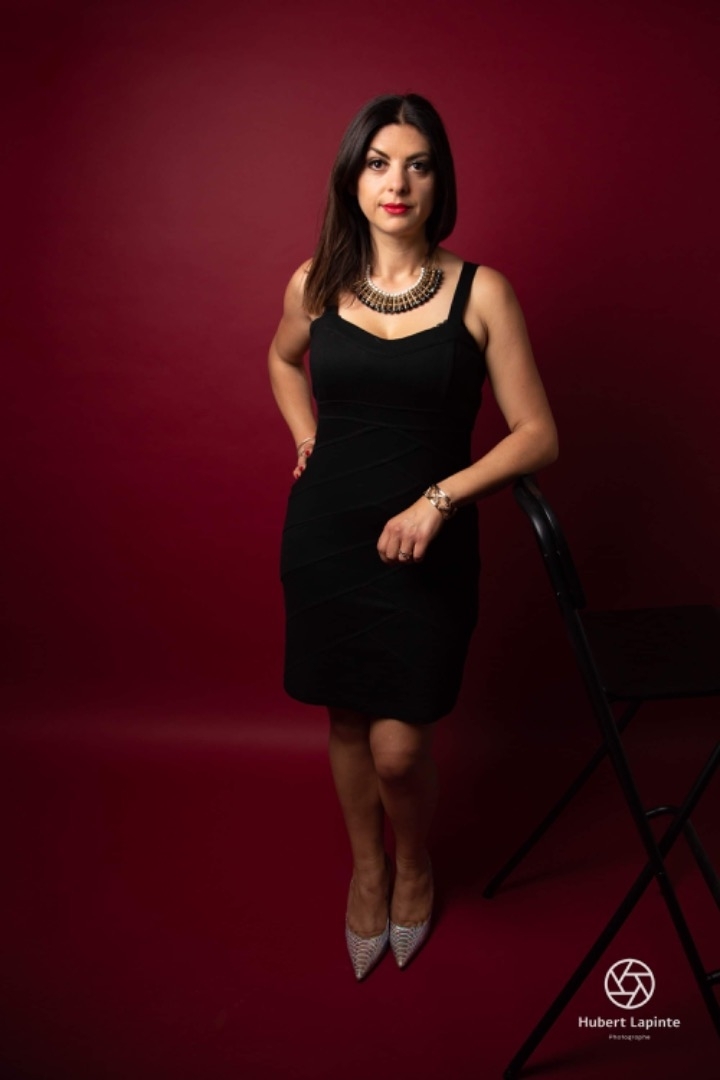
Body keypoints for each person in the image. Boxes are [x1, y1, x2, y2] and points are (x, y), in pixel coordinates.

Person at [268, 93, 558, 980]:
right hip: (325, 538)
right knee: (346, 718)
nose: (397, 182)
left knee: (399, 748)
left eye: (418, 164)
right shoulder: (314, 281)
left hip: (428, 547)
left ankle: (416, 863)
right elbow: (282, 359)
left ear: (440, 182)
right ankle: (369, 872)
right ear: (352, 179)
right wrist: (306, 436)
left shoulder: (483, 291)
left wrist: (441, 499)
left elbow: (538, 435)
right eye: (378, 163)